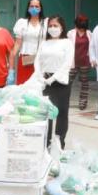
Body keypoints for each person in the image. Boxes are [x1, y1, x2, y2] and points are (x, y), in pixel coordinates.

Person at [31, 16, 74, 148]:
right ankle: (46, 142)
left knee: (61, 112)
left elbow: (67, 63)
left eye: (55, 26)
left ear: (61, 28)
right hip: (44, 81)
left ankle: (59, 143)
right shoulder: (44, 43)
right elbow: (37, 60)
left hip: (60, 81)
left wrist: (53, 78)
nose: (52, 28)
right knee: (46, 112)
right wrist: (39, 75)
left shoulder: (67, 42)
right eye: (50, 25)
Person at [12, 0, 47, 85]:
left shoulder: (46, 22)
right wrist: (11, 61)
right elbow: (17, 43)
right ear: (28, 8)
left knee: (39, 86)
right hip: (25, 59)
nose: (34, 8)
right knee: (23, 86)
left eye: (36, 6)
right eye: (31, 6)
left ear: (40, 8)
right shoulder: (22, 22)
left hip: (42, 59)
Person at [67, 14, 92, 111]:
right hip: (72, 62)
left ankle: (83, 103)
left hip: (85, 62)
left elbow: (93, 48)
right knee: (67, 82)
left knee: (84, 83)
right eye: (80, 21)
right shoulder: (70, 33)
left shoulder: (89, 33)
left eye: (84, 21)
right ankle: (65, 101)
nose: (82, 23)